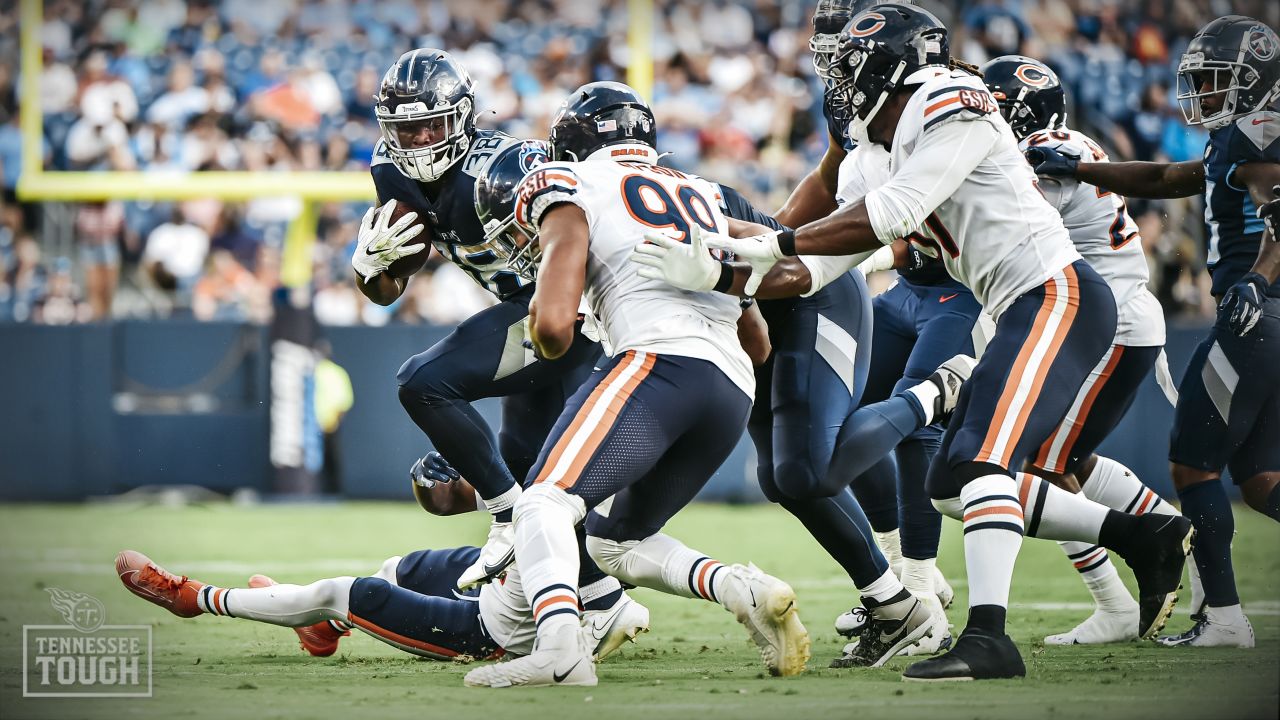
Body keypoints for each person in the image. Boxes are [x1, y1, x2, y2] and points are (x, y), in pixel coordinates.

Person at [696, 5, 1192, 680]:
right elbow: (823, 265)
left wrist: (766, 242)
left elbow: (889, 216)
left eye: (850, 68)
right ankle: (1142, 533)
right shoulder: (872, 151)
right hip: (1011, 305)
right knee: (950, 483)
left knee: (981, 463)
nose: (839, 83)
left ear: (893, 64)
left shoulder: (948, 98)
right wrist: (722, 270)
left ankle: (989, 637)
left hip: (1057, 293)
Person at [462, 82, 810, 689]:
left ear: (569, 142)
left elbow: (549, 327)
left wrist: (553, 338)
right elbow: (758, 343)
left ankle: (560, 648)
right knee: (615, 542)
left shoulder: (572, 185)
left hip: (656, 364)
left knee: (542, 502)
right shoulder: (700, 194)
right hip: (729, 386)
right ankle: (743, 589)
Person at [1027, 16, 1280, 648]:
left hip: (1258, 315)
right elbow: (1167, 180)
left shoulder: (1261, 131)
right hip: (1266, 315)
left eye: (1219, 81)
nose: (1207, 93)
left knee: (1191, 467)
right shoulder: (1236, 137)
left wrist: (1258, 279)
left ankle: (1222, 617)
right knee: (1261, 480)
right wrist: (1085, 171)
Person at [352, 49, 604, 591]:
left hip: (576, 313)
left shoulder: (504, 169)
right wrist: (368, 269)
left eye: (428, 126)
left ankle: (507, 517)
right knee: (531, 483)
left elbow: (593, 227)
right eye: (405, 129)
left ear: (462, 118)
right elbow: (389, 287)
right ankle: (596, 596)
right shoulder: (390, 170)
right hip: (531, 316)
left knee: (423, 384)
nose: (417, 141)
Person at [113, 543, 647, 664]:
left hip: (493, 627)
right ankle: (321, 628)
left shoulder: (605, 510)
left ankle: (195, 598)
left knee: (348, 592)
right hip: (505, 575)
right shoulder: (569, 448)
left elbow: (633, 584)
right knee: (402, 567)